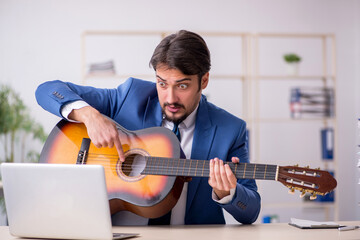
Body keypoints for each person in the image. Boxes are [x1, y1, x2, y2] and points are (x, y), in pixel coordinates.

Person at [35, 30, 261, 225]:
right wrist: (89, 115)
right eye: (162, 83)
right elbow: (47, 90)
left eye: (182, 85)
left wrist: (228, 193)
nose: (170, 97)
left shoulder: (231, 129)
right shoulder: (130, 97)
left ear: (204, 81)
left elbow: (250, 210)